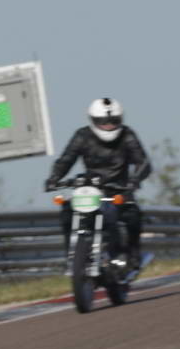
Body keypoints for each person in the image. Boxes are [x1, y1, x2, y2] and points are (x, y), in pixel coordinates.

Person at [45, 98, 152, 268]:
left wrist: (134, 180)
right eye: (103, 122)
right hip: (89, 188)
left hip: (119, 189)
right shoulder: (82, 135)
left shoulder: (127, 135)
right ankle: (71, 256)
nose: (108, 125)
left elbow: (143, 162)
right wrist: (54, 178)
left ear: (120, 120)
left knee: (132, 215)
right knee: (67, 211)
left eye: (113, 121)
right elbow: (66, 159)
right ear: (93, 120)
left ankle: (132, 253)